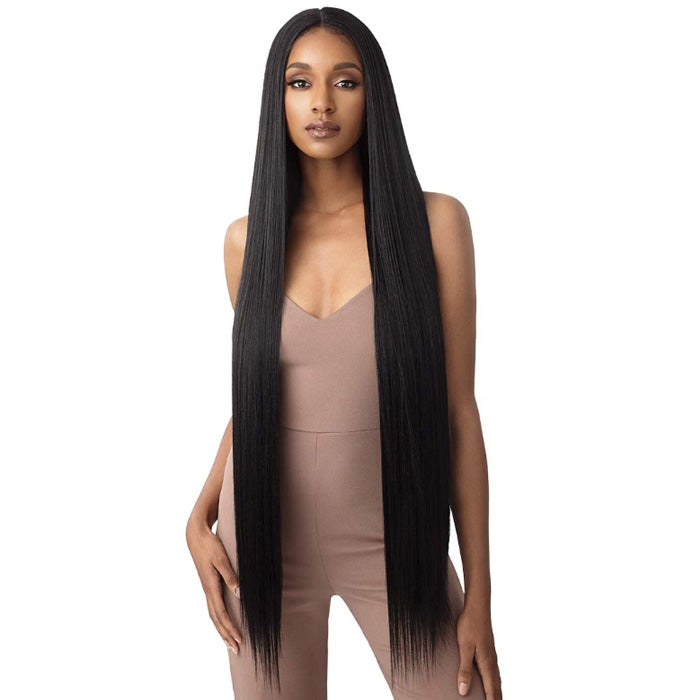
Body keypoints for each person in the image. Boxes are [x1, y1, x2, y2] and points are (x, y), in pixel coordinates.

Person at [186, 7, 502, 699]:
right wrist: (198, 516)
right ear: (278, 100)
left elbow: (458, 412)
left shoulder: (435, 224)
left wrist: (479, 594)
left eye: (345, 82)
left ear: (372, 95)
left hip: (394, 536)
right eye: (300, 83)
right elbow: (256, 400)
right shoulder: (247, 241)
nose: (322, 103)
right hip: (261, 544)